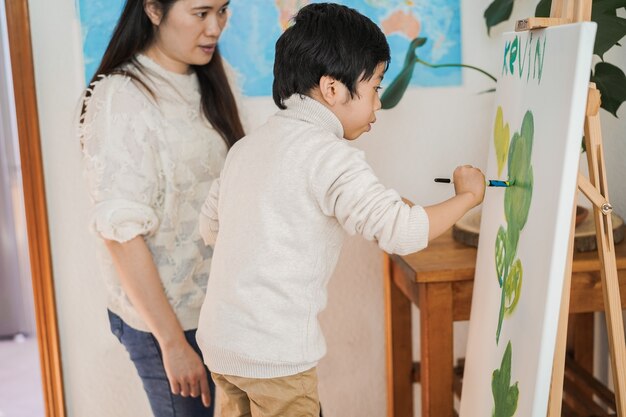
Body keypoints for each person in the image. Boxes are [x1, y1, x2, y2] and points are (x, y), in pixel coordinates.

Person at [195, 3, 485, 417]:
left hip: (223, 347)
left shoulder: (246, 148)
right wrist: (467, 197)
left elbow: (211, 228)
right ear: (333, 89)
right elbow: (402, 233)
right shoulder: (329, 156)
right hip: (276, 359)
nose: (378, 107)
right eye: (376, 88)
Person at [77, 0, 245, 415]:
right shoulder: (122, 96)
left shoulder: (212, 80)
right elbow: (120, 232)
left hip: (218, 309)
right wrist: (171, 342)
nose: (215, 28)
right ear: (153, 10)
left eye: (222, 10)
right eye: (201, 13)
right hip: (166, 321)